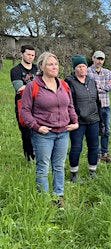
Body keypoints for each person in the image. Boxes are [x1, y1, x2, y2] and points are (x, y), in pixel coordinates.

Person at [19, 52, 79, 207]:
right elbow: (24, 110)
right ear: (41, 67)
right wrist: (37, 127)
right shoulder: (33, 86)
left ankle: (58, 198)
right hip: (43, 135)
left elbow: (70, 106)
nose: (54, 67)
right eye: (50, 64)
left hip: (63, 132)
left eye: (56, 64)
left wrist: (75, 121)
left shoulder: (63, 85)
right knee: (43, 167)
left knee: (59, 166)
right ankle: (44, 200)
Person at [65, 54, 102, 182]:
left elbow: (97, 101)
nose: (82, 69)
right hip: (78, 120)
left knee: (94, 146)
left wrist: (99, 119)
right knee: (76, 147)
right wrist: (74, 117)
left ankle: (92, 171)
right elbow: (68, 102)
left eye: (84, 66)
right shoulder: (69, 82)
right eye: (79, 66)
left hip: (93, 119)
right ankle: (73, 173)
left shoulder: (91, 82)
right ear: (75, 68)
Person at [87, 50, 111, 163]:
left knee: (106, 130)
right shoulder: (88, 71)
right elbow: (90, 88)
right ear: (93, 58)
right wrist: (104, 87)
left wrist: (100, 87)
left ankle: (105, 153)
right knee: (95, 130)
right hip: (93, 106)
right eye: (97, 58)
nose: (99, 61)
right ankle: (96, 154)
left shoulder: (107, 72)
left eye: (101, 59)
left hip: (105, 105)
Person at [10, 44, 38, 161]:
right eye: (28, 54)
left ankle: (40, 156)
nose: (30, 57)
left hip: (38, 105)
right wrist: (38, 88)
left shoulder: (38, 69)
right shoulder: (16, 70)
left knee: (38, 131)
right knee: (26, 133)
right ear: (22, 54)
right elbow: (20, 88)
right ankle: (29, 159)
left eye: (33, 55)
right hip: (23, 105)